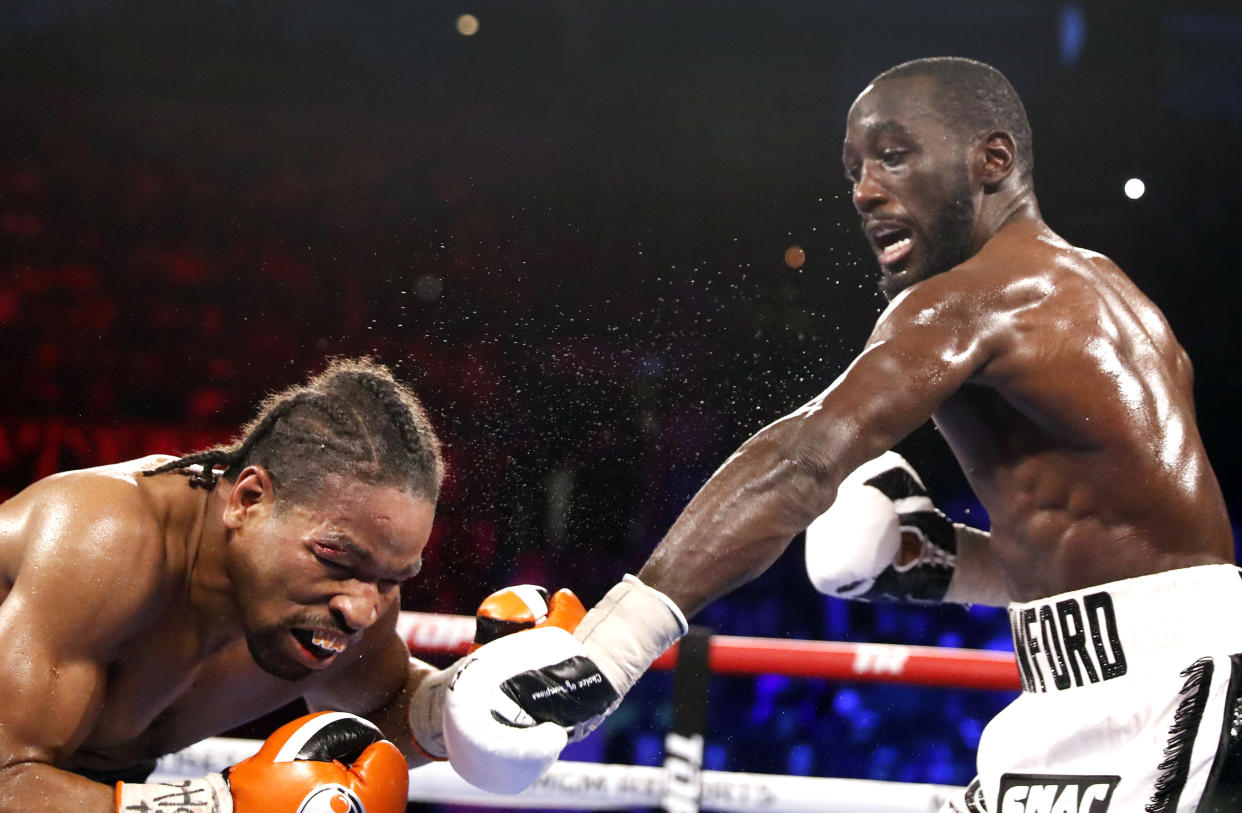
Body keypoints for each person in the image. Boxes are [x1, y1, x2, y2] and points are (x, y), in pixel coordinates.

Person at [444, 57, 1242, 811]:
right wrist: (941, 563)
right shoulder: (1097, 292)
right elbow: (1128, 554)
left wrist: (611, 649)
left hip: (1171, 696)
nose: (864, 191)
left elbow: (802, 459)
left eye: (893, 157)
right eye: (855, 169)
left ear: (991, 159)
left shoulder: (977, 296)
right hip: (1085, 689)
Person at [0, 356, 579, 812]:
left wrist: (476, 703)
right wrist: (211, 805)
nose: (360, 608)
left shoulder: (353, 606)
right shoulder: (104, 539)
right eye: (334, 557)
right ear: (250, 501)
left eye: (391, 579)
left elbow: (385, 704)